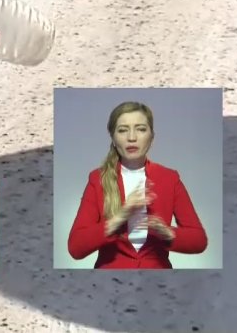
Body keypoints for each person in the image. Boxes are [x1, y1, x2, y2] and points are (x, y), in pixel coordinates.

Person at [66, 101, 208, 269]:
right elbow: (75, 247)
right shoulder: (97, 179)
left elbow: (199, 240)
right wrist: (119, 218)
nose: (131, 137)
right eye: (122, 130)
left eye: (140, 129)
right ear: (112, 136)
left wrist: (165, 232)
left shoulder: (170, 178)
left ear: (152, 136)